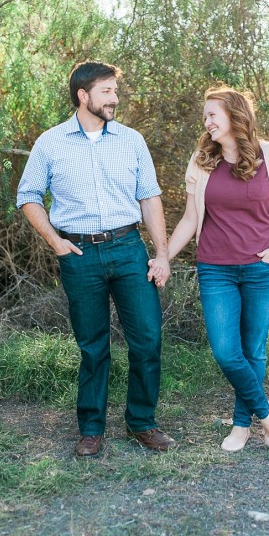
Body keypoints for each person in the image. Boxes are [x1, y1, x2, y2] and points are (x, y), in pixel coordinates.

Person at [17, 60, 175, 457]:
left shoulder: (131, 140)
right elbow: (28, 196)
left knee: (148, 339)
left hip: (127, 249)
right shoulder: (50, 143)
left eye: (115, 92)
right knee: (92, 346)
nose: (115, 99)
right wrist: (54, 240)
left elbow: (149, 197)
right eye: (107, 92)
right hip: (78, 253)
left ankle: (142, 422)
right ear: (83, 95)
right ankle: (91, 429)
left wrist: (161, 254)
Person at [151, 86, 269, 452]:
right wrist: (164, 255)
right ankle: (266, 415)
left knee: (253, 350)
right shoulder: (202, 160)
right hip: (216, 269)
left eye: (212, 115)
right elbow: (189, 218)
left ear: (235, 116)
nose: (206, 122)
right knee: (225, 351)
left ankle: (241, 426)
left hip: (261, 268)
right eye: (205, 116)